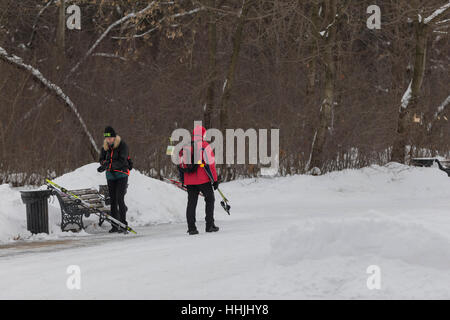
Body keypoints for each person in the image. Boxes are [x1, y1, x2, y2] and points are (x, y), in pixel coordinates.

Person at [179, 125, 219, 235]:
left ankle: (191, 228)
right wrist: (215, 180)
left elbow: (181, 164)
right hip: (203, 179)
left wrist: (183, 180)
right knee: (210, 199)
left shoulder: (186, 146)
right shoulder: (205, 145)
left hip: (189, 180)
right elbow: (211, 164)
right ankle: (209, 225)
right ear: (202, 134)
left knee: (191, 203)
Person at [97, 126, 130, 233]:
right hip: (111, 176)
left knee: (120, 198)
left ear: (114, 137)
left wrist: (110, 165)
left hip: (121, 175)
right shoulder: (105, 147)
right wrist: (103, 165)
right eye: (107, 138)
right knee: (113, 200)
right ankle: (114, 225)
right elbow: (101, 159)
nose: (108, 140)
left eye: (110, 138)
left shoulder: (122, 145)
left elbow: (122, 160)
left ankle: (123, 224)